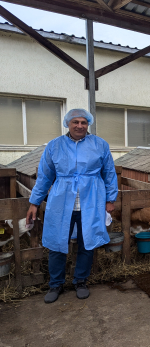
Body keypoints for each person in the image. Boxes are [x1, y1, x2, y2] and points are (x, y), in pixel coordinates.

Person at [26, 109, 118, 304]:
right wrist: (34, 203)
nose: (79, 126)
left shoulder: (100, 145)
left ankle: (81, 281)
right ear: (68, 124)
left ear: (88, 124)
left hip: (91, 202)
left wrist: (110, 199)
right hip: (61, 202)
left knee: (87, 243)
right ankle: (56, 284)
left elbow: (109, 173)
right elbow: (44, 176)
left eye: (84, 122)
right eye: (75, 122)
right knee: (57, 243)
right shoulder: (54, 146)